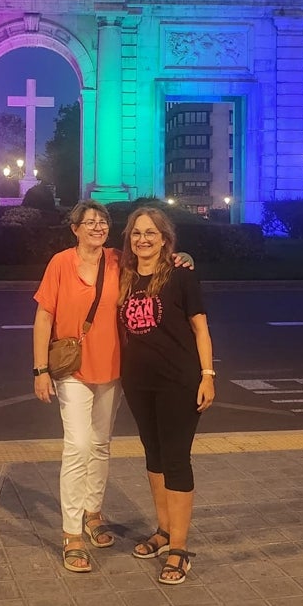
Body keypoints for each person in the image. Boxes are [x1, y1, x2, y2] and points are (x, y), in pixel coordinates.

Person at [33, 199, 192, 574]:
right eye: (88, 222)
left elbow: (157, 264)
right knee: (78, 445)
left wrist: (182, 255)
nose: (96, 227)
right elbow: (43, 316)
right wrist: (40, 369)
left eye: (102, 222)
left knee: (101, 444)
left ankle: (93, 512)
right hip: (72, 369)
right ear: (75, 229)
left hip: (113, 367)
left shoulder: (119, 260)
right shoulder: (60, 263)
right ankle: (72, 532)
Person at [118, 206, 215, 585]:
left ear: (165, 238)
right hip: (138, 381)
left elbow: (201, 329)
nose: (143, 239)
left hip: (179, 380)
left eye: (151, 233)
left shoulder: (180, 274)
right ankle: (162, 531)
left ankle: (179, 548)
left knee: (176, 459)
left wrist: (208, 375)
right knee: (154, 457)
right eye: (137, 233)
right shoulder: (123, 274)